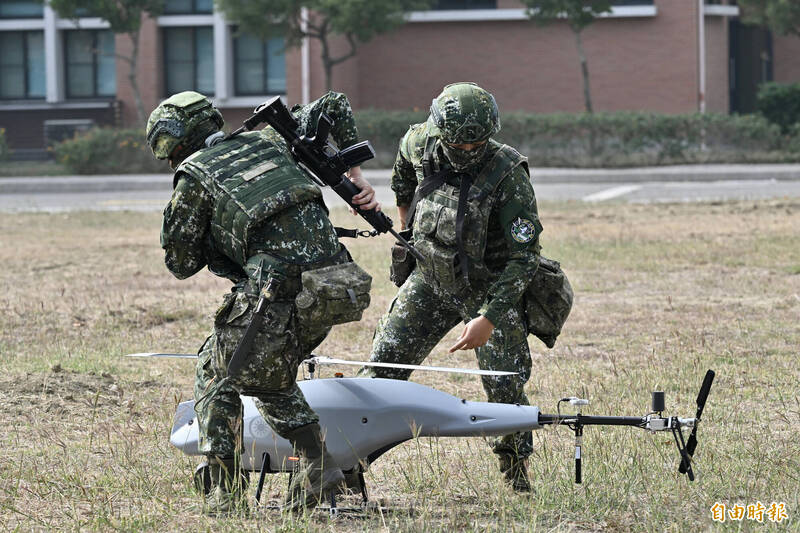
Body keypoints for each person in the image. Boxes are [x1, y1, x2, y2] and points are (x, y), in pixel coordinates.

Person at [145, 90, 377, 515]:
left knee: (242, 374)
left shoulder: (195, 175)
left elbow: (180, 263)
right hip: (335, 286)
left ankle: (290, 470)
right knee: (239, 366)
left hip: (279, 292)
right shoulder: (270, 141)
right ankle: (242, 474)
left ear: (172, 147)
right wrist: (355, 175)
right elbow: (336, 102)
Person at [362, 82, 543, 492]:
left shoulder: (508, 175)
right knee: (381, 368)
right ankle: (347, 463)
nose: (468, 151)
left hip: (486, 288)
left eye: (477, 143)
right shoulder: (419, 142)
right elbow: (402, 181)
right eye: (458, 144)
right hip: (431, 278)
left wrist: (490, 318)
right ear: (441, 133)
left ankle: (516, 473)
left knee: (504, 384)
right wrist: (406, 232)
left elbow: (525, 257)